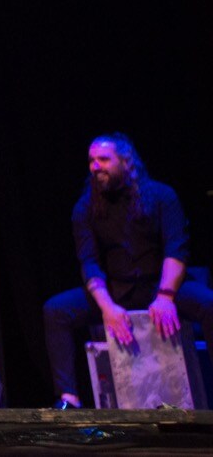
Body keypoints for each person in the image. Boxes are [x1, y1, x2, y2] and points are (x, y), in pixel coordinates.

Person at [43, 134, 213, 409]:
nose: (95, 166)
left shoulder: (162, 196)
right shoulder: (85, 208)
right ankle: (68, 398)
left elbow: (176, 249)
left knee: (209, 303)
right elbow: (89, 263)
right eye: (91, 161)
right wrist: (107, 307)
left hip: (161, 287)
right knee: (55, 310)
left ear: (126, 161)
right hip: (116, 291)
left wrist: (166, 296)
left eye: (103, 159)